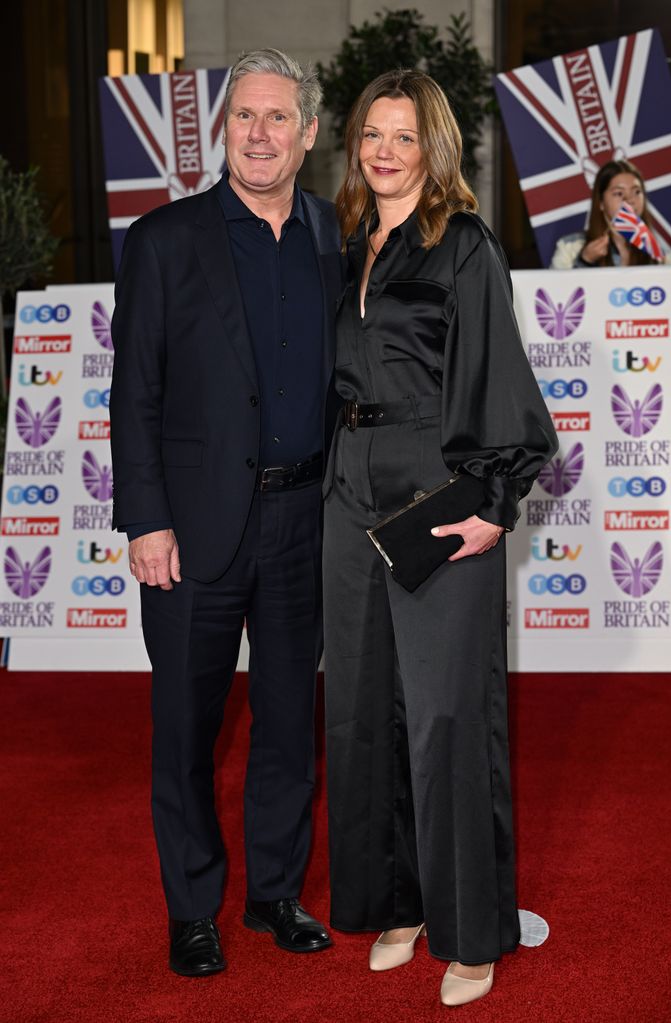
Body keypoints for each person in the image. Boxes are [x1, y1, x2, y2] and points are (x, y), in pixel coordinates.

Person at [322, 70, 558, 1008]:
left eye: (404, 137)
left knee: (449, 713)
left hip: (437, 483)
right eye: (372, 135)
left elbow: (496, 366)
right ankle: (400, 900)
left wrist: (495, 498)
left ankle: (471, 928)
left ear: (435, 150)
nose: (385, 150)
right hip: (347, 488)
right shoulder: (347, 248)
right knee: (365, 705)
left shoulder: (461, 244)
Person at [109, 48, 343, 977]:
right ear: (222, 130)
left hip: (302, 524)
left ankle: (275, 893)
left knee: (290, 720)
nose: (259, 134)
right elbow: (134, 393)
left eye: (278, 117)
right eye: (244, 116)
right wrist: (145, 519)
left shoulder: (335, 235)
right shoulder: (164, 240)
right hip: (193, 529)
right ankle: (193, 905)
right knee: (186, 726)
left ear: (309, 133)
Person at [549, 158, 671, 268]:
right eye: (619, 193)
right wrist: (585, 261)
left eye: (636, 192)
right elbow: (556, 292)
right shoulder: (570, 247)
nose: (630, 200)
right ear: (601, 202)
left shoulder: (659, 252)